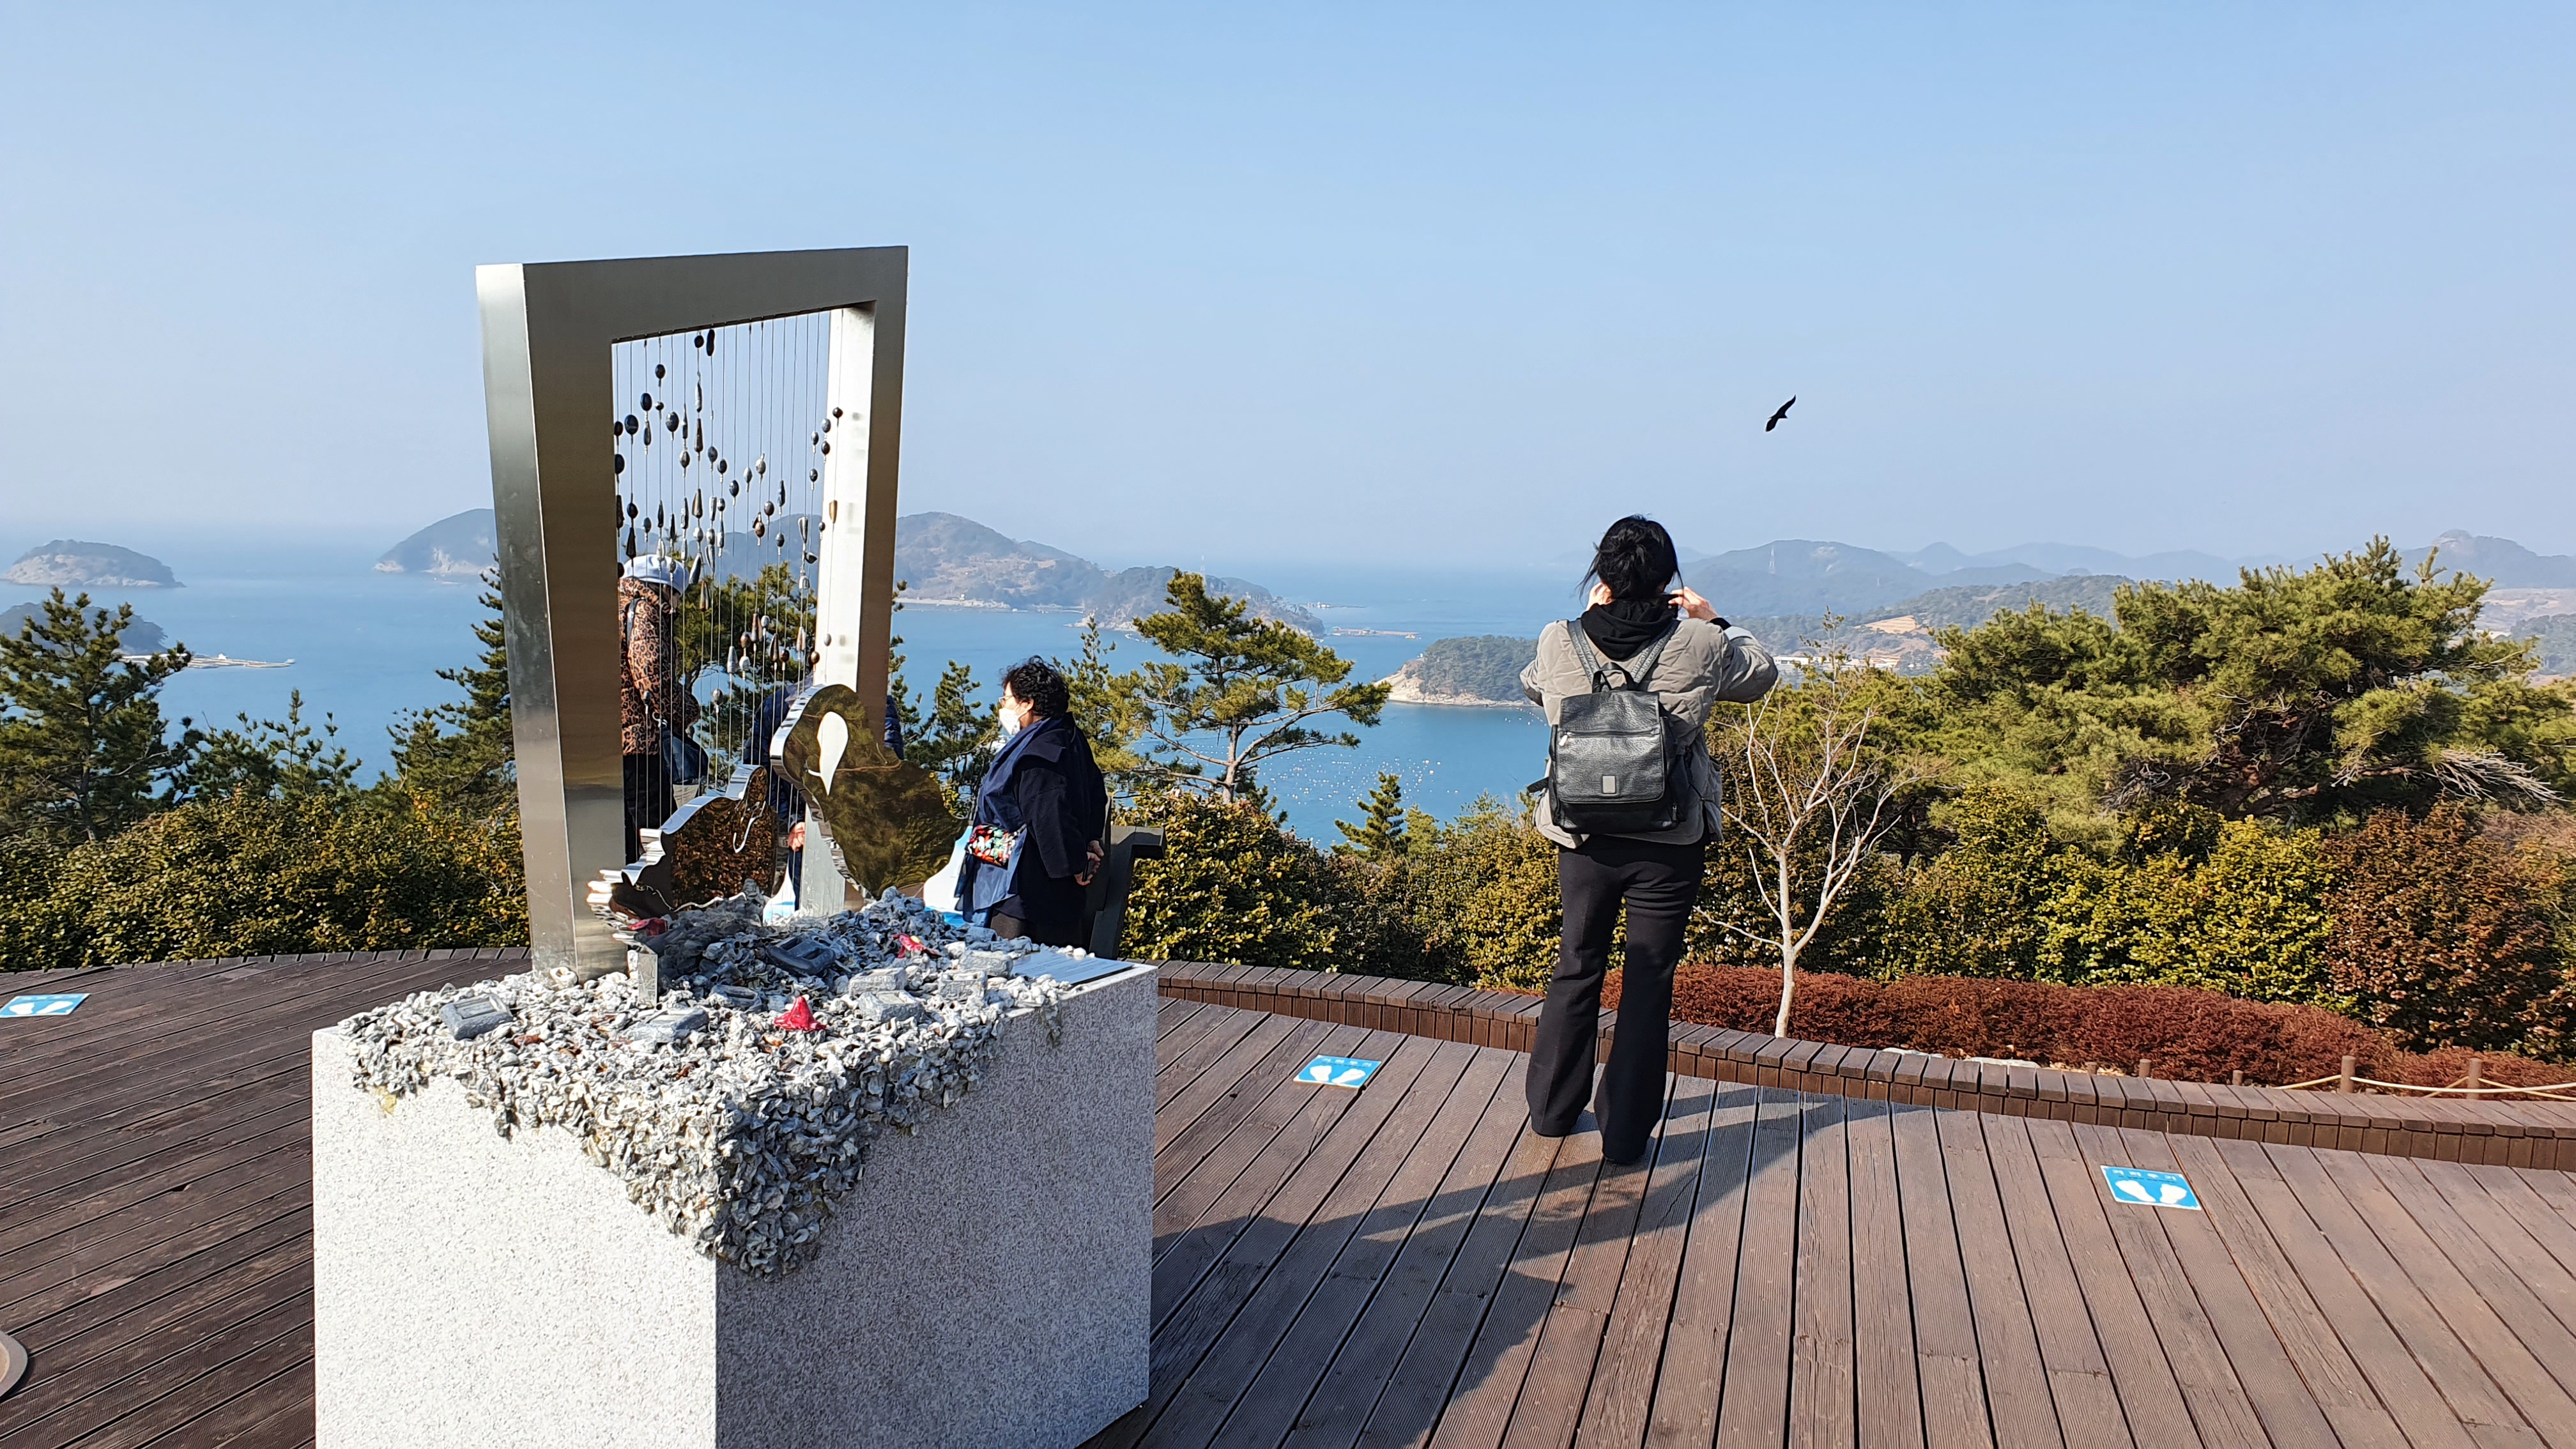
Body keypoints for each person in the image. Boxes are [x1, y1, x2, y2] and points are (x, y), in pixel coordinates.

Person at [1520, 515, 1778, 1164]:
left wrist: (1585, 622)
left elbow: (1534, 686)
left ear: (1603, 575)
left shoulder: (1560, 639)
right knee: (1647, 983)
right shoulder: (1700, 644)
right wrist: (1719, 620)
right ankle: (1626, 1134)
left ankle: (1552, 1112)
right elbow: (1762, 674)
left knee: (1576, 965)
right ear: (1668, 579)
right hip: (1668, 837)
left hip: (1583, 835)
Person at [958, 657, 1107, 946]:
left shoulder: (1038, 755)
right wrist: (1090, 840)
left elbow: (1049, 817)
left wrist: (1075, 866)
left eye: (1007, 699)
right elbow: (1095, 793)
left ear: (1027, 704)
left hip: (1027, 894)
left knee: (1022, 971)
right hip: (1046, 889)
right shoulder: (1069, 737)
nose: (1003, 707)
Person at [618, 555, 700, 862]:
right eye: (677, 595)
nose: (677, 605)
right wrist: (688, 710)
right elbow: (652, 675)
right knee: (661, 835)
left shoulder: (620, 603)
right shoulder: (644, 611)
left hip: (623, 741)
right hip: (638, 743)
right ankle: (659, 903)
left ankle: (630, 899)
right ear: (666, 589)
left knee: (628, 834)